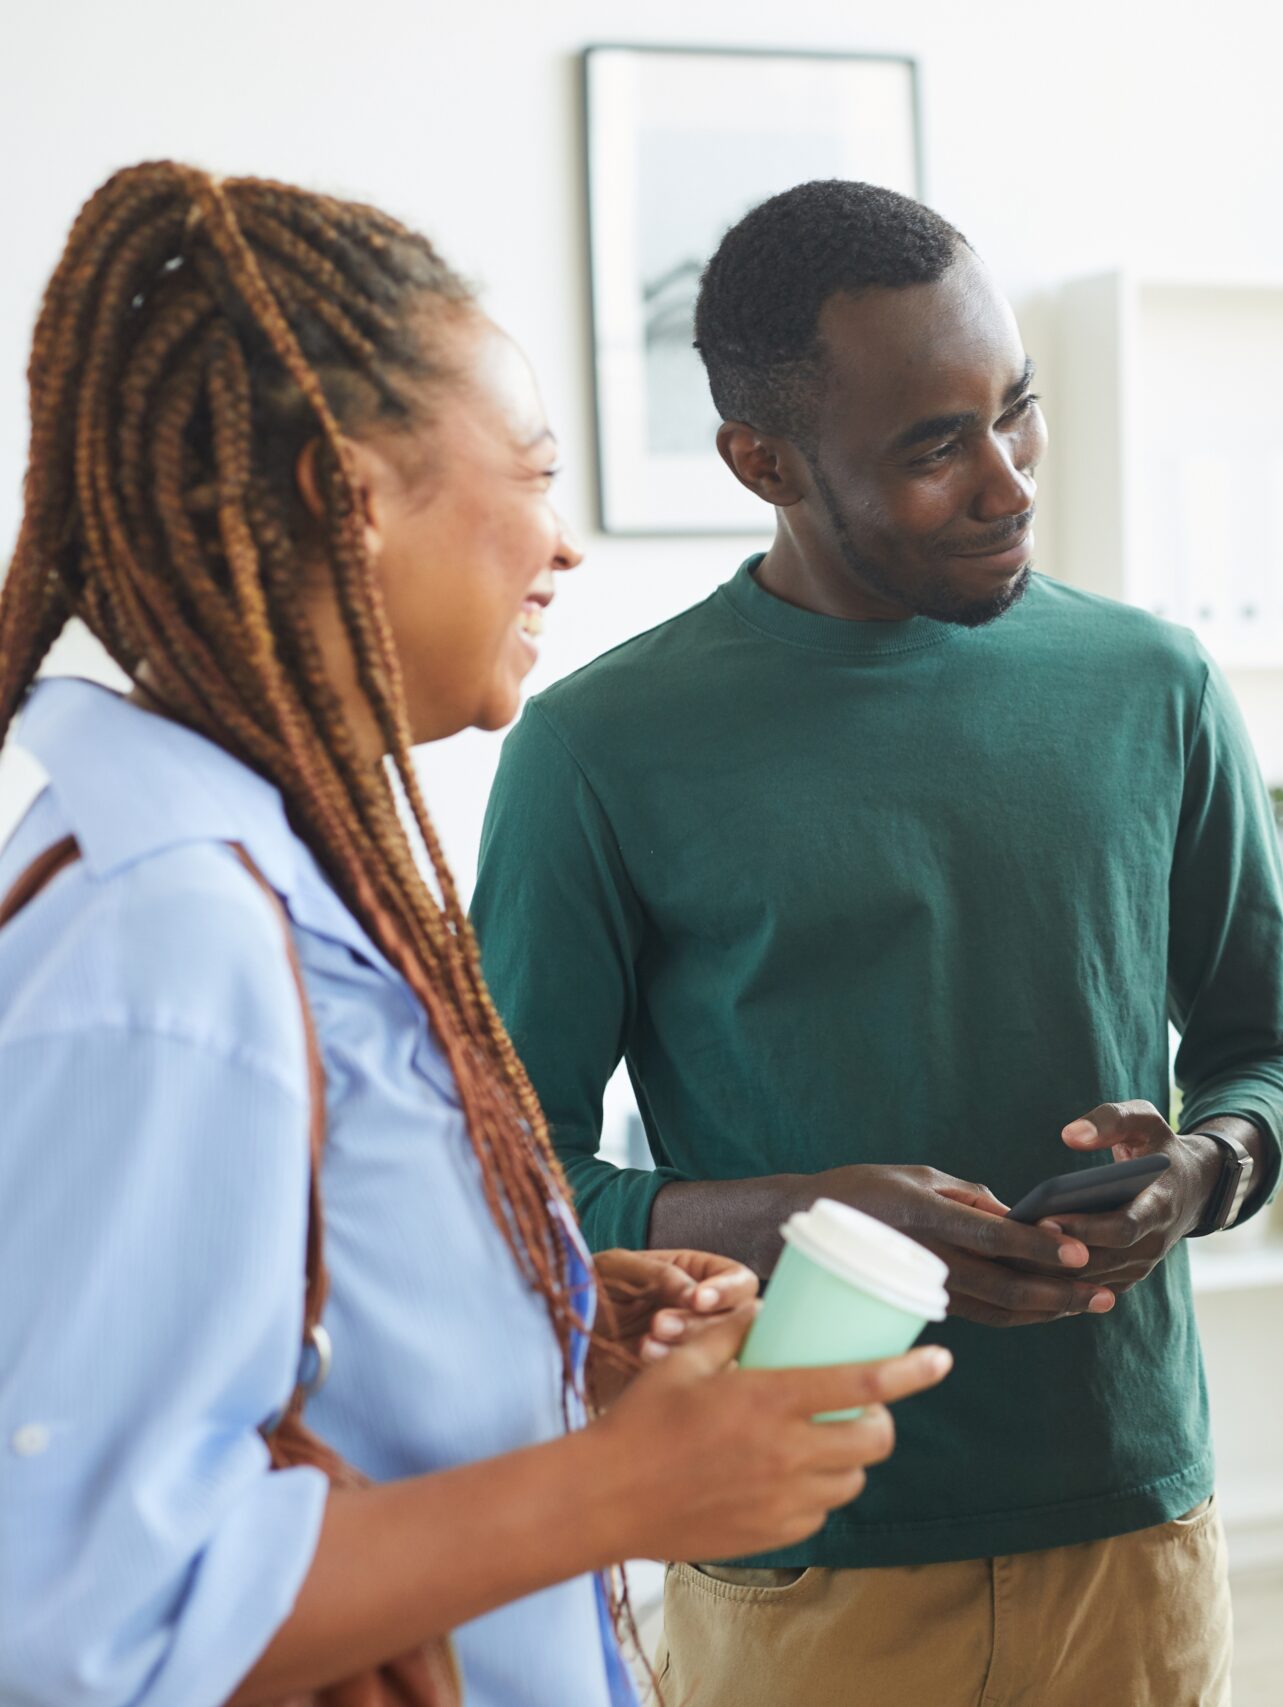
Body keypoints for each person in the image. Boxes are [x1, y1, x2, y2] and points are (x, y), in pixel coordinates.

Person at [0, 165, 949, 1707]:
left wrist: (546, 1337)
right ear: (346, 496)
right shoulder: (166, 937)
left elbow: (274, 1361)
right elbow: (81, 1606)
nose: (563, 547)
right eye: (532, 471)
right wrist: (622, 1495)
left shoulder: (280, 872)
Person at [469, 179, 1283, 1706]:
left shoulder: (1155, 686)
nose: (1007, 483)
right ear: (764, 462)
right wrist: (803, 1217)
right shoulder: (600, 748)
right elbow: (501, 1182)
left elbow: (1273, 1055)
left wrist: (1200, 1172)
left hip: (1129, 1522)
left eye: (1019, 413)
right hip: (798, 1554)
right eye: (934, 447)